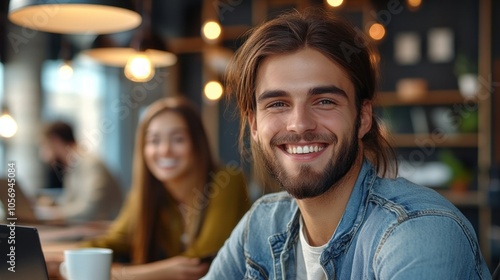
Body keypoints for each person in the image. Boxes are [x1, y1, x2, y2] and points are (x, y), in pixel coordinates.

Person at [203, 8, 491, 279]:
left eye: (325, 101)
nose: (300, 124)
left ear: (363, 117)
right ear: (254, 124)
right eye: (278, 104)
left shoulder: (418, 231)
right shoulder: (263, 223)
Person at [71, 96, 251, 279]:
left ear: (198, 143)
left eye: (178, 139)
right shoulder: (145, 193)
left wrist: (120, 275)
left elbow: (198, 264)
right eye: (154, 141)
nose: (164, 150)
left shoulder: (227, 180)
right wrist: (68, 260)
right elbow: (114, 240)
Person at [38, 121, 122, 224]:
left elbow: (89, 210)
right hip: (87, 228)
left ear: (55, 141)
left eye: (44, 145)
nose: (42, 154)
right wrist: (51, 204)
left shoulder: (90, 164)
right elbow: (70, 202)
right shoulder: (72, 165)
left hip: (105, 230)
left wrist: (50, 215)